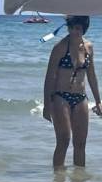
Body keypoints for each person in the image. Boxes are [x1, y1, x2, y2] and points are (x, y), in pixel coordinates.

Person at [43, 15, 101, 169]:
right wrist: (47, 105)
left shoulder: (89, 47)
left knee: (81, 143)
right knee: (63, 140)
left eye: (78, 29)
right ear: (68, 28)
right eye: (72, 28)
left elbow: (92, 76)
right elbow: (49, 77)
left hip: (81, 97)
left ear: (84, 29)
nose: (75, 32)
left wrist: (98, 101)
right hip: (61, 96)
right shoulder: (60, 47)